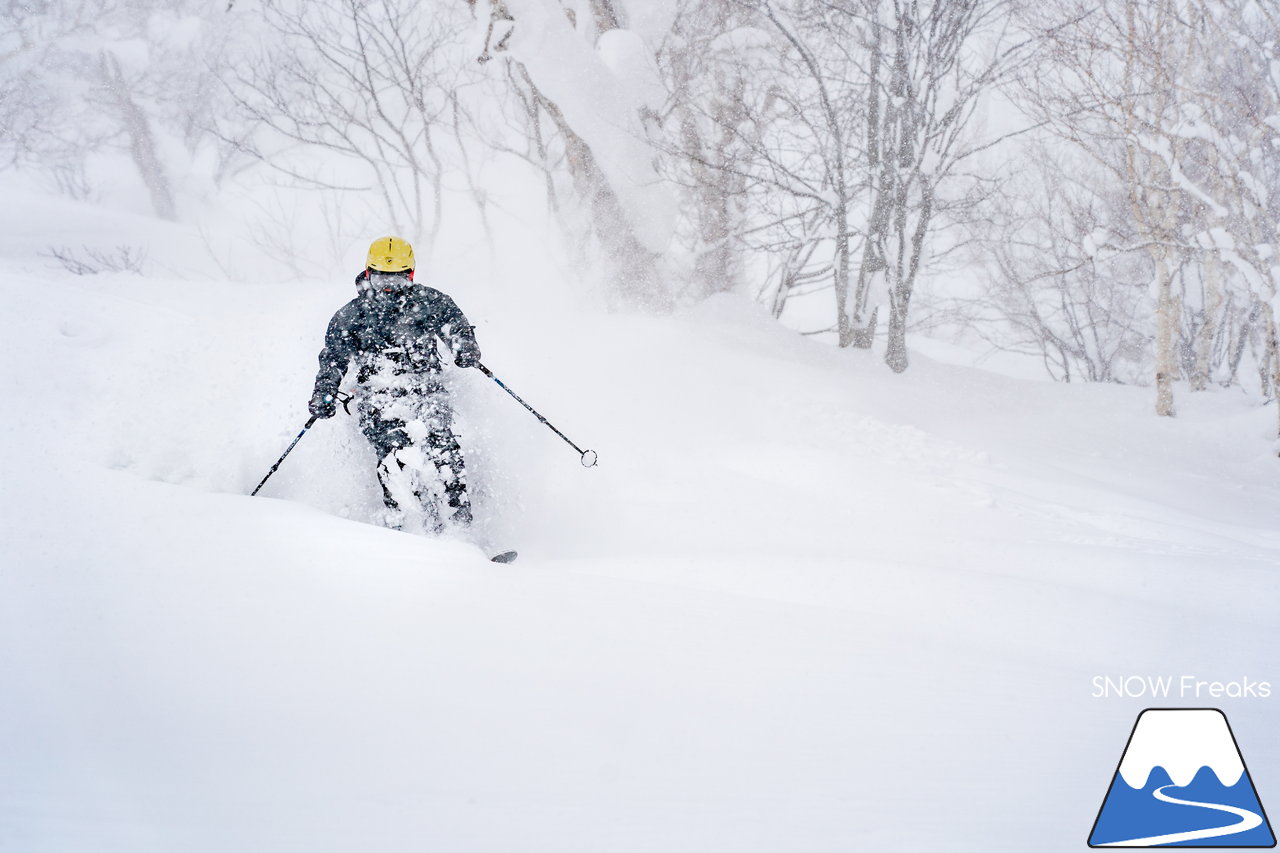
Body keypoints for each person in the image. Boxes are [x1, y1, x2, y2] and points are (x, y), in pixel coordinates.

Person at [308, 236, 483, 533]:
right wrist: (324, 391)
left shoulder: (430, 301)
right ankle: (406, 532)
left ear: (411, 275)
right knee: (395, 452)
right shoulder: (352, 314)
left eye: (398, 280)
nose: (389, 287)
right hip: (378, 397)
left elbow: (456, 326)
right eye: (380, 278)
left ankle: (462, 534)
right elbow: (334, 358)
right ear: (368, 273)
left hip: (427, 391)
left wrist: (464, 347)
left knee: (444, 450)